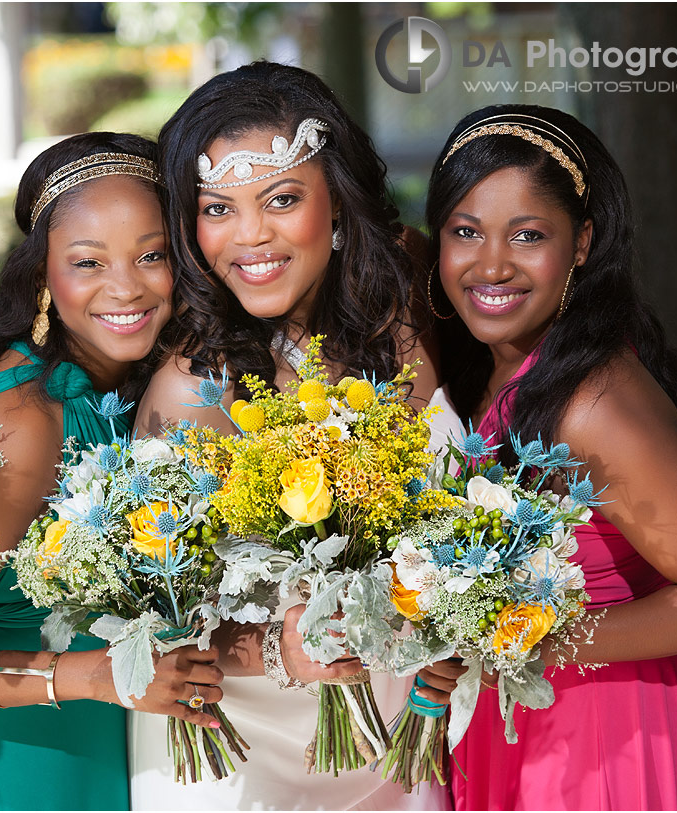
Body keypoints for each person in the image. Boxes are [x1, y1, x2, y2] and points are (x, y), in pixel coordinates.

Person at [423, 104, 677, 810]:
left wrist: (522, 642)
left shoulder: (593, 403)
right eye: (465, 231)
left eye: (528, 235)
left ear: (582, 242)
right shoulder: (500, 365)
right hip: (524, 721)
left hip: (619, 738)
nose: (491, 263)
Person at [0, 132, 224, 812]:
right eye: (88, 262)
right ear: (42, 281)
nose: (126, 286)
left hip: (87, 740)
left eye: (152, 255)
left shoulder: (129, 389)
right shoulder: (27, 422)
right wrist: (90, 675)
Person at [130, 61, 452, 811]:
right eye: (218, 209)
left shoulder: (391, 331)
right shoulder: (194, 386)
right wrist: (284, 647)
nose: (251, 236)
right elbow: (156, 632)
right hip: (244, 761)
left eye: (280, 199)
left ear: (336, 202)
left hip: (394, 736)